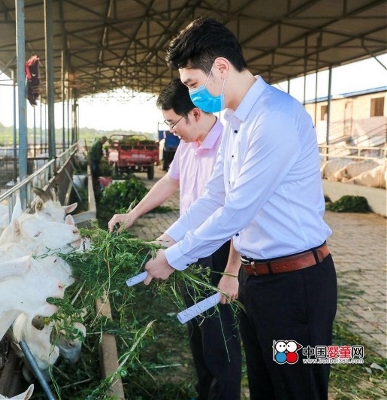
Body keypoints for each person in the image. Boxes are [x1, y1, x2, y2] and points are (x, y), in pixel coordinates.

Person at [143, 17, 336, 400]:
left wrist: (173, 258)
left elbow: (237, 210)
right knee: (265, 386)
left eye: (193, 84)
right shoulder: (235, 120)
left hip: (294, 284)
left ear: (220, 68)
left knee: (296, 390)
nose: (193, 95)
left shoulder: (273, 119)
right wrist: (169, 237)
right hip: (257, 279)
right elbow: (215, 196)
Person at [108, 78, 241, 400]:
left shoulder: (230, 145)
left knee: (219, 332)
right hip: (189, 243)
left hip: (220, 247)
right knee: (196, 326)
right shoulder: (188, 144)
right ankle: (204, 390)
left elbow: (238, 213)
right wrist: (134, 214)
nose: (170, 131)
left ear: (195, 113)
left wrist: (231, 272)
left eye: (172, 122)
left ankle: (223, 394)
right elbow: (170, 181)